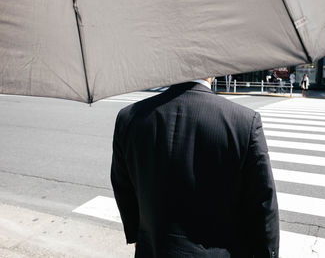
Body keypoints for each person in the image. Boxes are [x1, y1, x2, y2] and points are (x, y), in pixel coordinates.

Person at [111, 78, 280, 258]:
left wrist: (137, 234)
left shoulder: (129, 117)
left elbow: (122, 186)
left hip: (153, 250)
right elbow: (263, 204)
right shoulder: (244, 122)